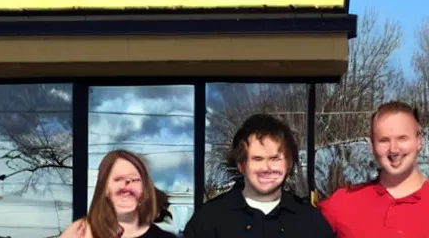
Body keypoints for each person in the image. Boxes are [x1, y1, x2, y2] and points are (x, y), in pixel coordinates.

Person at [183, 114, 333, 237]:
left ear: (289, 164)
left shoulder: (310, 221)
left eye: (275, 158)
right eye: (257, 159)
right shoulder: (209, 219)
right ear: (241, 165)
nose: (267, 168)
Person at [318, 100, 429, 237]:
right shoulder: (343, 203)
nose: (394, 149)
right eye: (384, 140)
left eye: (402, 138)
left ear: (419, 141)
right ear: (371, 145)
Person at [60, 150, 176, 238]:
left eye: (134, 179)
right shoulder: (80, 233)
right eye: (118, 179)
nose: (126, 186)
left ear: (144, 189)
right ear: (104, 188)